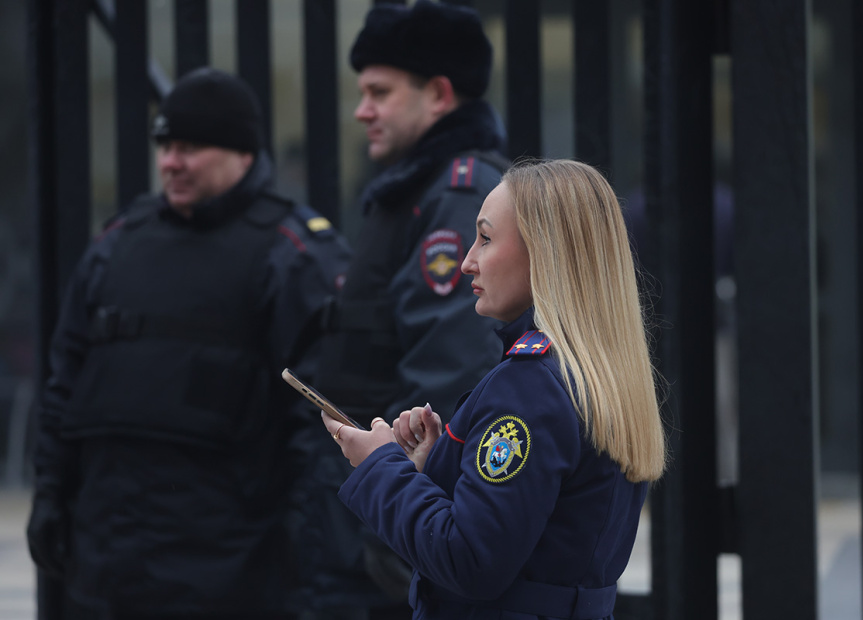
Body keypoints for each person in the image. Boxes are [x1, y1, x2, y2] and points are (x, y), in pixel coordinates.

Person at [26, 67, 352, 619]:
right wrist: (50, 493)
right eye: (165, 147)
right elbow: (65, 385)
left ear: (243, 154)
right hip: (106, 563)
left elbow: (321, 424)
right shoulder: (118, 243)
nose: (170, 162)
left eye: (190, 148)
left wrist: (305, 550)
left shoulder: (294, 255)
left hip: (230, 571)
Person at [323, 159, 668, 619]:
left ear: (545, 252)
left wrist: (380, 465)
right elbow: (548, 533)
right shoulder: (595, 373)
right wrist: (438, 469)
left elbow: (470, 561)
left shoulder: (530, 388)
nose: (467, 261)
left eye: (485, 239)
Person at [304, 1, 509, 616]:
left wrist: (396, 529)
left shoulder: (457, 195)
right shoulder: (414, 191)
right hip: (370, 517)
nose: (362, 110)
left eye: (379, 92)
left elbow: (449, 377)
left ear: (439, 94)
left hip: (390, 530)